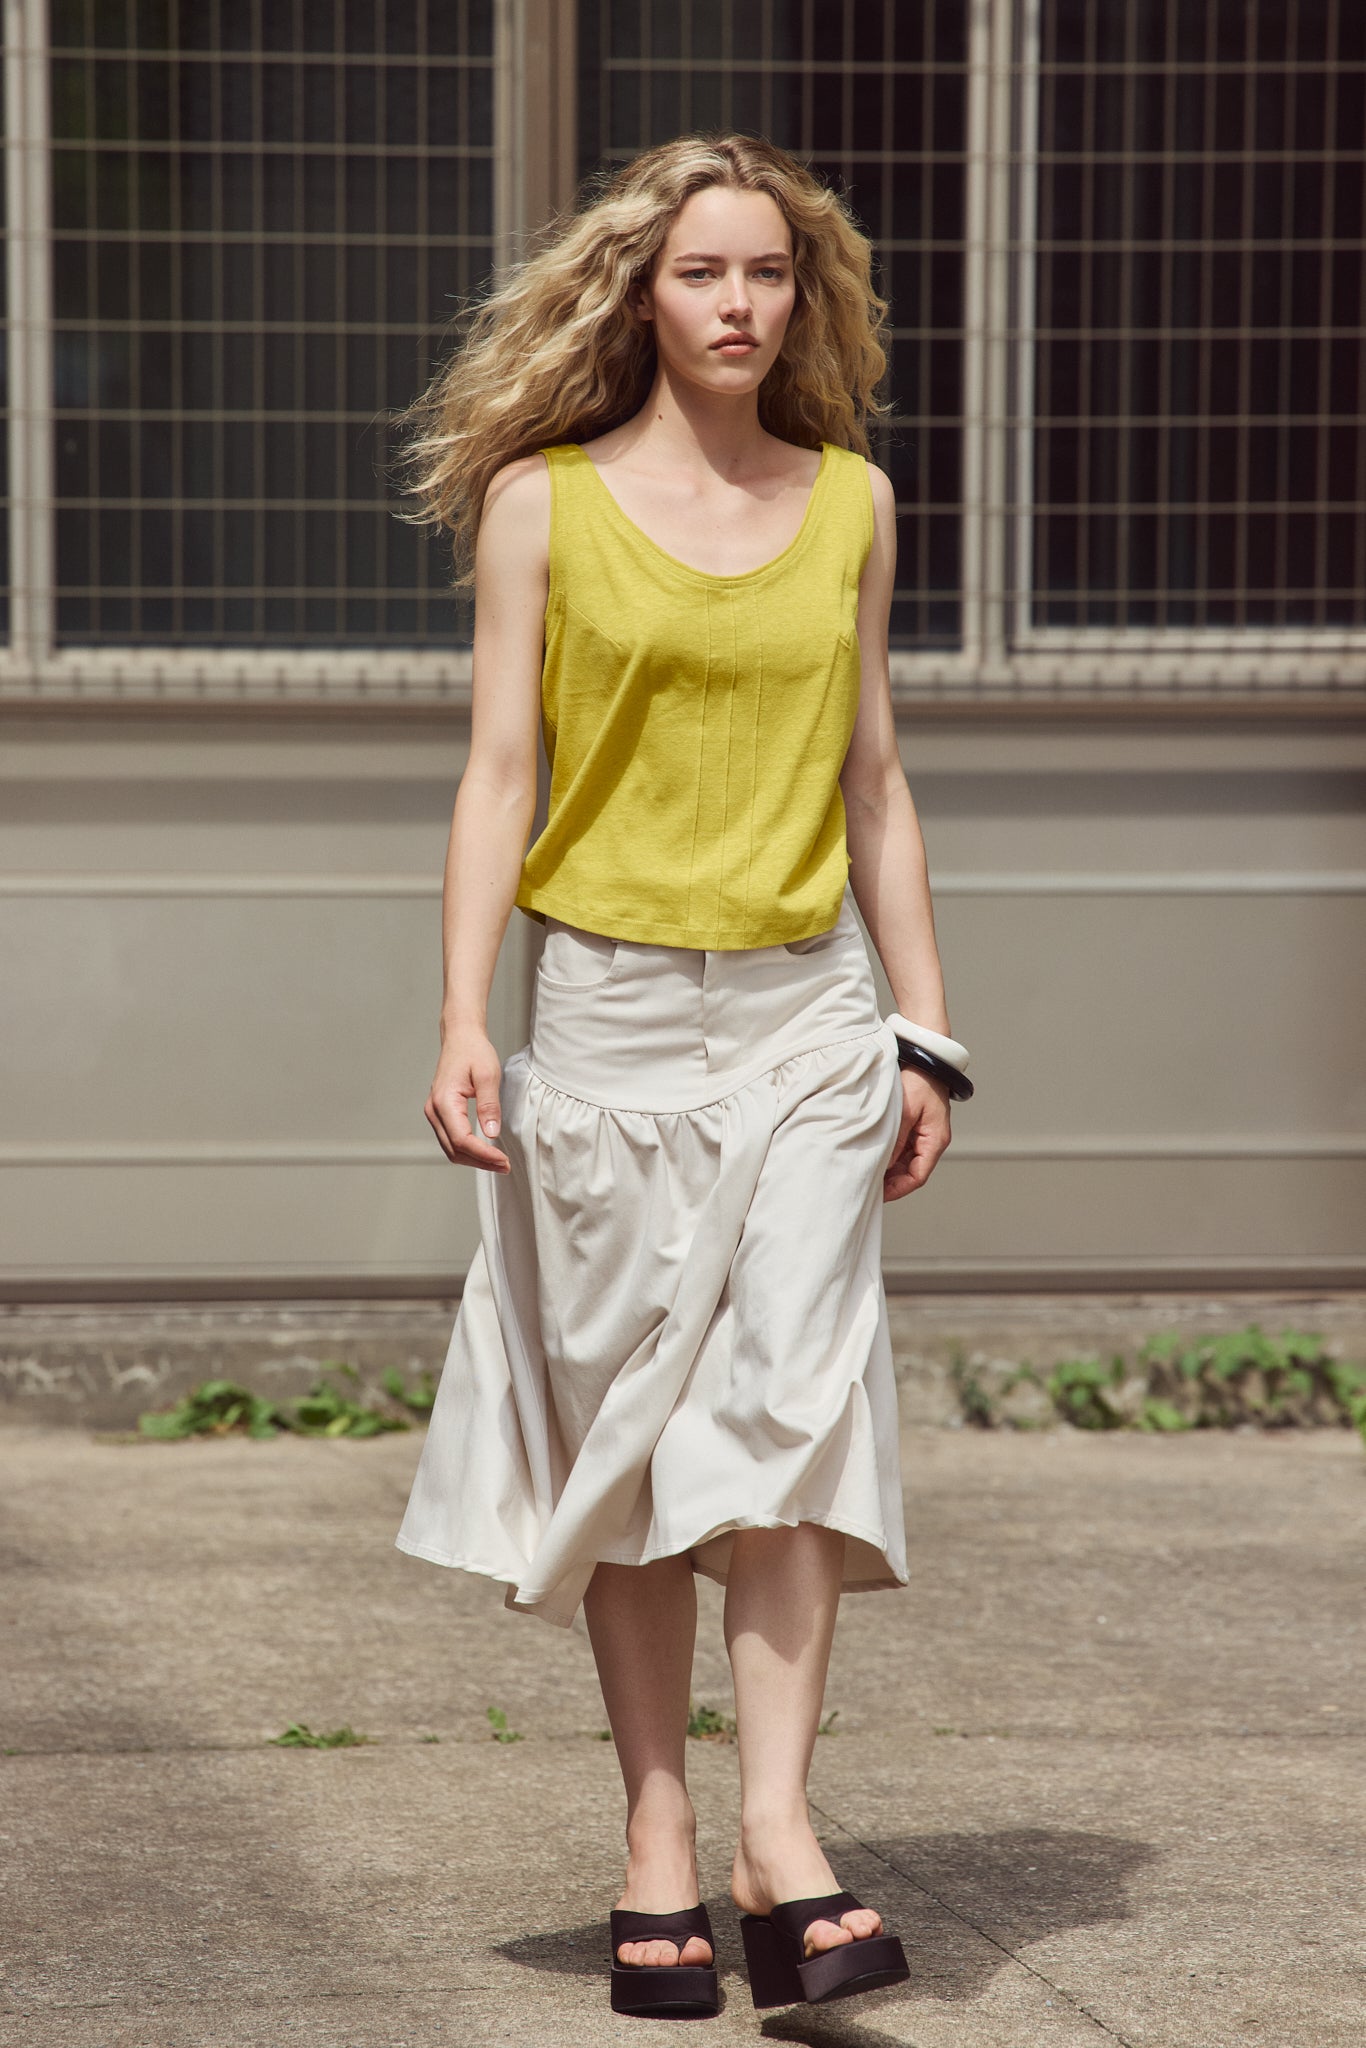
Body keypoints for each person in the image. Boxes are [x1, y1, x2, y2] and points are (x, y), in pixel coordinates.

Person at [392, 133, 968, 2020]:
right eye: (703, 271)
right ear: (640, 293)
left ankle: (777, 1837)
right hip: (606, 1022)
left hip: (806, 1020)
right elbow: (500, 773)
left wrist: (923, 1029)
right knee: (626, 1437)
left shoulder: (854, 502)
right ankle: (658, 1832)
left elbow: (872, 782)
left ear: (805, 297)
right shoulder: (542, 508)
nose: (739, 304)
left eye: (769, 273)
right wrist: (463, 1013)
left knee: (789, 1407)